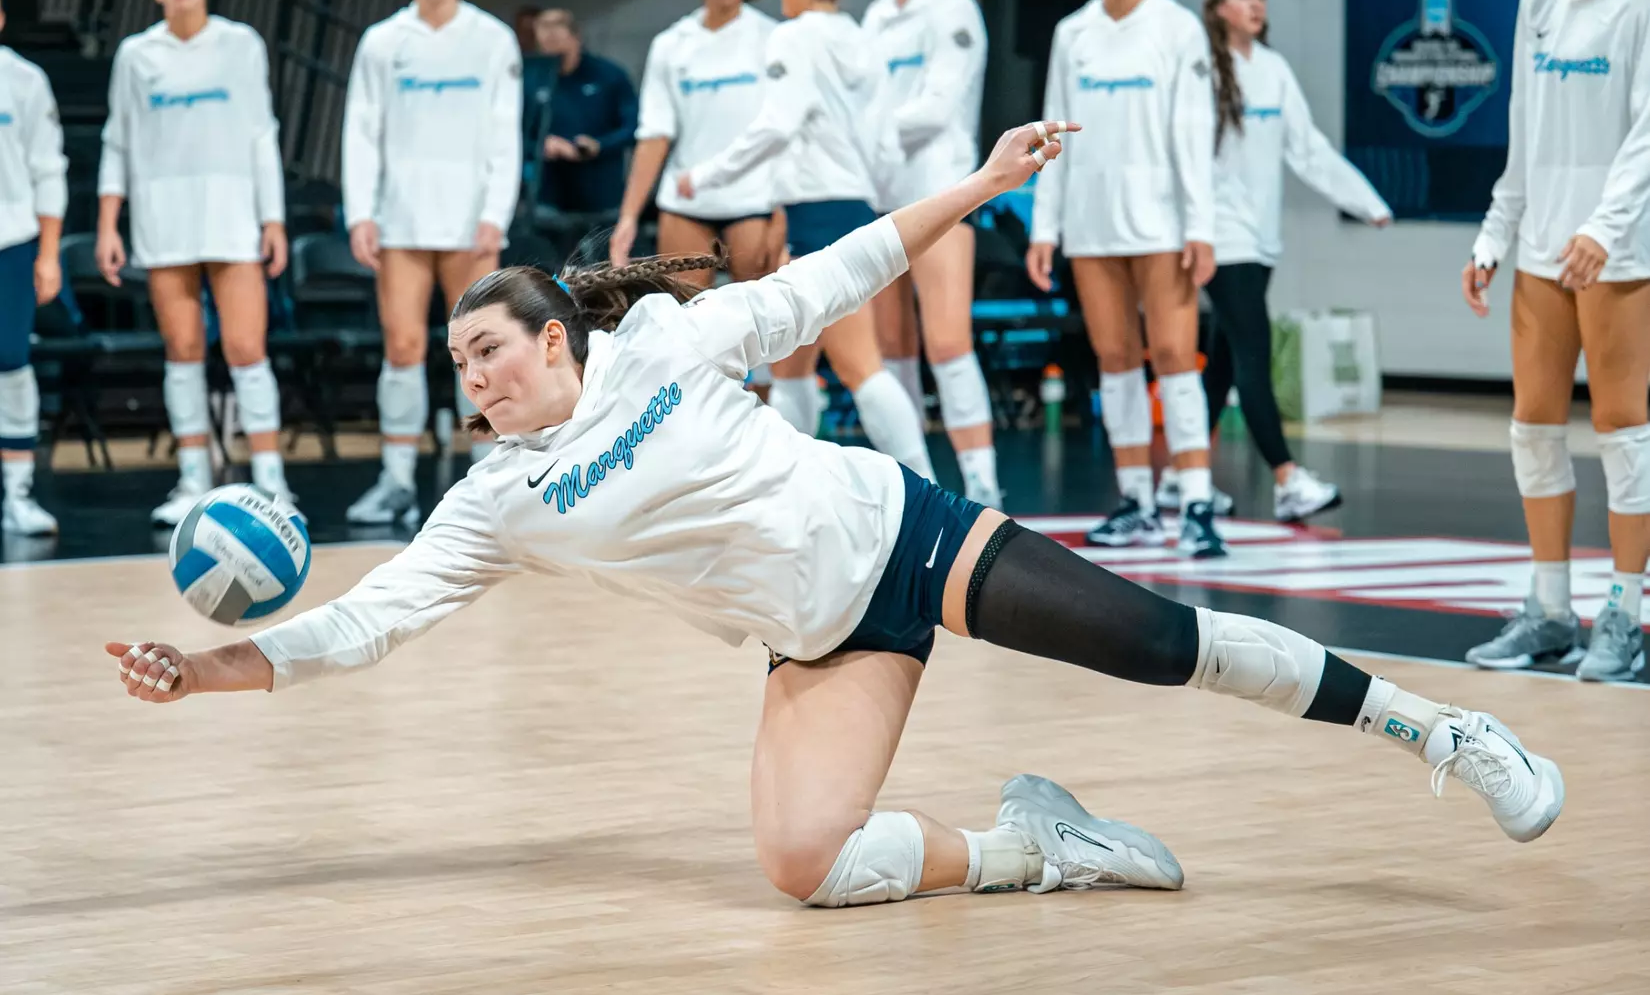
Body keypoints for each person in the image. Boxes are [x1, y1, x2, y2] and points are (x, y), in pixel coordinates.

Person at [110, 121, 1564, 916]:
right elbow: (364, 626)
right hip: (820, 639)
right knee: (805, 863)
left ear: (555, 340)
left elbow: (840, 271)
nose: (472, 377)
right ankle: (1040, 847)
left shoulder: (665, 341)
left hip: (907, 539)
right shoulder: (495, 506)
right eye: (458, 364)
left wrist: (981, 185)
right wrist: (208, 671)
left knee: (1160, 645)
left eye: (488, 351)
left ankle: (1437, 728)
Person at [1463, 0, 1650, 681]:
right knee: (1533, 427)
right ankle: (1549, 611)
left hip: (1618, 247)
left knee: (1623, 431)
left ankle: (1623, 615)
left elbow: (1647, 131)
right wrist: (1494, 234)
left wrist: (1604, 226)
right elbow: (1526, 134)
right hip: (1542, 243)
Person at [678, 0, 935, 480]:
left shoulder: (793, 36)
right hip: (850, 205)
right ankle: (784, 487)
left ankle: (929, 490)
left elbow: (777, 125)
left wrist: (705, 175)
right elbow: (885, 139)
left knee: (860, 366)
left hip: (820, 214)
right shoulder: (861, 38)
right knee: (791, 366)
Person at [1168, 0, 1390, 524]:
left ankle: (1178, 477)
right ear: (1220, 7)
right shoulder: (1199, 70)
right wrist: (1195, 230)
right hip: (1221, 237)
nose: (1256, 5)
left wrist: (1365, 201)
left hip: (1261, 239)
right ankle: (1287, 478)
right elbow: (1184, 158)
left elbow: (1308, 149)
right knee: (1252, 353)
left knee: (1221, 363)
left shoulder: (1273, 70)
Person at [1028, 0, 1224, 557]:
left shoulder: (1177, 27)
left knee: (1174, 356)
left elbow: (1195, 130)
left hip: (1162, 224)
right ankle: (1136, 501)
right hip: (1091, 225)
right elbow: (1052, 133)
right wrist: (1044, 227)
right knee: (1114, 359)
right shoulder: (1072, 32)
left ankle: (1197, 502)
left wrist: (1201, 226)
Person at [97, 0, 294, 528]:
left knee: (245, 348)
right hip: (163, 216)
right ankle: (192, 480)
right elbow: (118, 140)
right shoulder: (136, 54)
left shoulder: (241, 44)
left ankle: (271, 482)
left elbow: (262, 134)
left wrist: (273, 218)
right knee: (182, 348)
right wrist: (109, 223)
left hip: (232, 215)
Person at [342, 0, 521, 525]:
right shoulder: (382, 41)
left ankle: (490, 477)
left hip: (472, 223)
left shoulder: (492, 38)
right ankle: (396, 481)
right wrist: (360, 213)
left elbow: (505, 133)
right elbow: (361, 131)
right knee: (402, 347)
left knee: (482, 348)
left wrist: (495, 213)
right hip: (401, 222)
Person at [862, 0, 1001, 508]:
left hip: (941, 194)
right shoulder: (875, 16)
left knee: (947, 343)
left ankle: (985, 487)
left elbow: (938, 108)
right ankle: (916, 488)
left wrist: (860, 132)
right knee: (893, 347)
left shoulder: (953, 9)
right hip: (881, 197)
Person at [610, 0, 781, 290]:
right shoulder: (671, 43)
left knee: (761, 310)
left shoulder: (772, 38)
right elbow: (654, 134)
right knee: (684, 307)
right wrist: (628, 217)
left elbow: (784, 129)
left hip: (755, 199)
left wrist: (782, 214)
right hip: (686, 198)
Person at [0, 2, 67, 537]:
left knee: (11, 362)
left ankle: (18, 494)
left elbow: (48, 169)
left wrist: (47, 253)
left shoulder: (25, 79)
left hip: (12, 240)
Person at [533, 9, 638, 218]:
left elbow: (633, 127)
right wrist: (541, 144)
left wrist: (599, 145)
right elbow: (514, 130)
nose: (554, 53)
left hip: (601, 193)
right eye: (546, 44)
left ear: (576, 37)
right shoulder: (532, 79)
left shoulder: (608, 75)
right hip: (548, 194)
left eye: (558, 39)